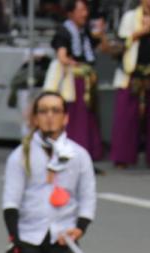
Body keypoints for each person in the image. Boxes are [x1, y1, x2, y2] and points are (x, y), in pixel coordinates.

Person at [1, 91, 97, 253]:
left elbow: (88, 196)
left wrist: (79, 229)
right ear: (35, 118)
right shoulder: (21, 155)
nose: (50, 116)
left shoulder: (79, 155)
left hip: (62, 234)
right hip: (29, 233)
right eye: (43, 111)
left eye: (56, 110)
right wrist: (15, 239)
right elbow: (10, 201)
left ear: (66, 117)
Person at [110, 0, 150, 170]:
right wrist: (141, 31)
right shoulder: (130, 17)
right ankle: (122, 156)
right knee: (126, 117)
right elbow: (119, 45)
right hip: (132, 74)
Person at [45, 0, 104, 161]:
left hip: (86, 81)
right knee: (76, 118)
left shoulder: (84, 31)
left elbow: (101, 47)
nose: (85, 14)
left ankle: (87, 153)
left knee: (88, 117)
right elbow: (62, 57)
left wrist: (101, 35)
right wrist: (77, 65)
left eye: (85, 10)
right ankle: (73, 152)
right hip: (73, 82)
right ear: (71, 13)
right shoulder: (64, 31)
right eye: (81, 10)